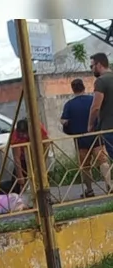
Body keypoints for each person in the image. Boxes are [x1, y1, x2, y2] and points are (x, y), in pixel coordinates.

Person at [60, 78, 105, 198]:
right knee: (103, 162)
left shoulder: (69, 105)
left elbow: (63, 121)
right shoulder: (92, 100)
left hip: (80, 140)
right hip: (96, 137)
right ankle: (109, 186)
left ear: (73, 89)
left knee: (85, 166)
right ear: (84, 87)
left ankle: (90, 190)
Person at [88, 52, 113, 193]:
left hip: (109, 128)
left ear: (99, 64)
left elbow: (96, 106)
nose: (91, 69)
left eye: (92, 66)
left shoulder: (101, 81)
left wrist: (90, 125)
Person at [10, 118, 49, 190]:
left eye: (24, 134)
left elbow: (46, 144)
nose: (22, 136)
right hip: (23, 159)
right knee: (17, 184)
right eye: (20, 135)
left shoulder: (38, 128)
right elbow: (17, 158)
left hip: (36, 156)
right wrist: (20, 178)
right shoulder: (15, 136)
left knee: (40, 180)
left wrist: (42, 160)